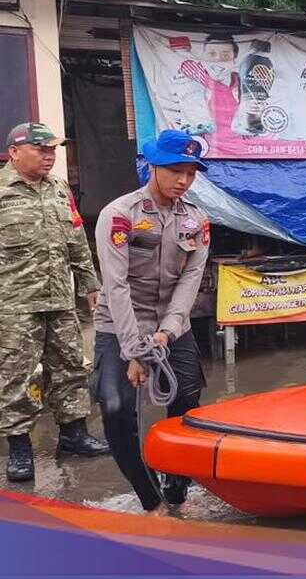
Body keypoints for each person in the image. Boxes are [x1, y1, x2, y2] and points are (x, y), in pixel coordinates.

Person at [92, 129, 210, 512]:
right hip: (120, 326)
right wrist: (134, 350)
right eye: (176, 170)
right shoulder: (120, 215)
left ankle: (177, 485)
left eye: (191, 173)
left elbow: (191, 279)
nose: (184, 181)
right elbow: (116, 284)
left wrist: (168, 331)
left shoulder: (196, 220)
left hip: (172, 328)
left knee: (188, 401)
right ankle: (148, 495)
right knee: (115, 407)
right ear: (153, 166)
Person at [1, 123, 109, 483]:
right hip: (15, 305)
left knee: (70, 366)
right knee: (17, 376)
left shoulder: (60, 189)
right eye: (41, 149)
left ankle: (74, 435)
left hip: (60, 300)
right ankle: (19, 447)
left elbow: (76, 239)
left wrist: (89, 284)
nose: (50, 156)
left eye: (53, 150)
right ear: (14, 152)